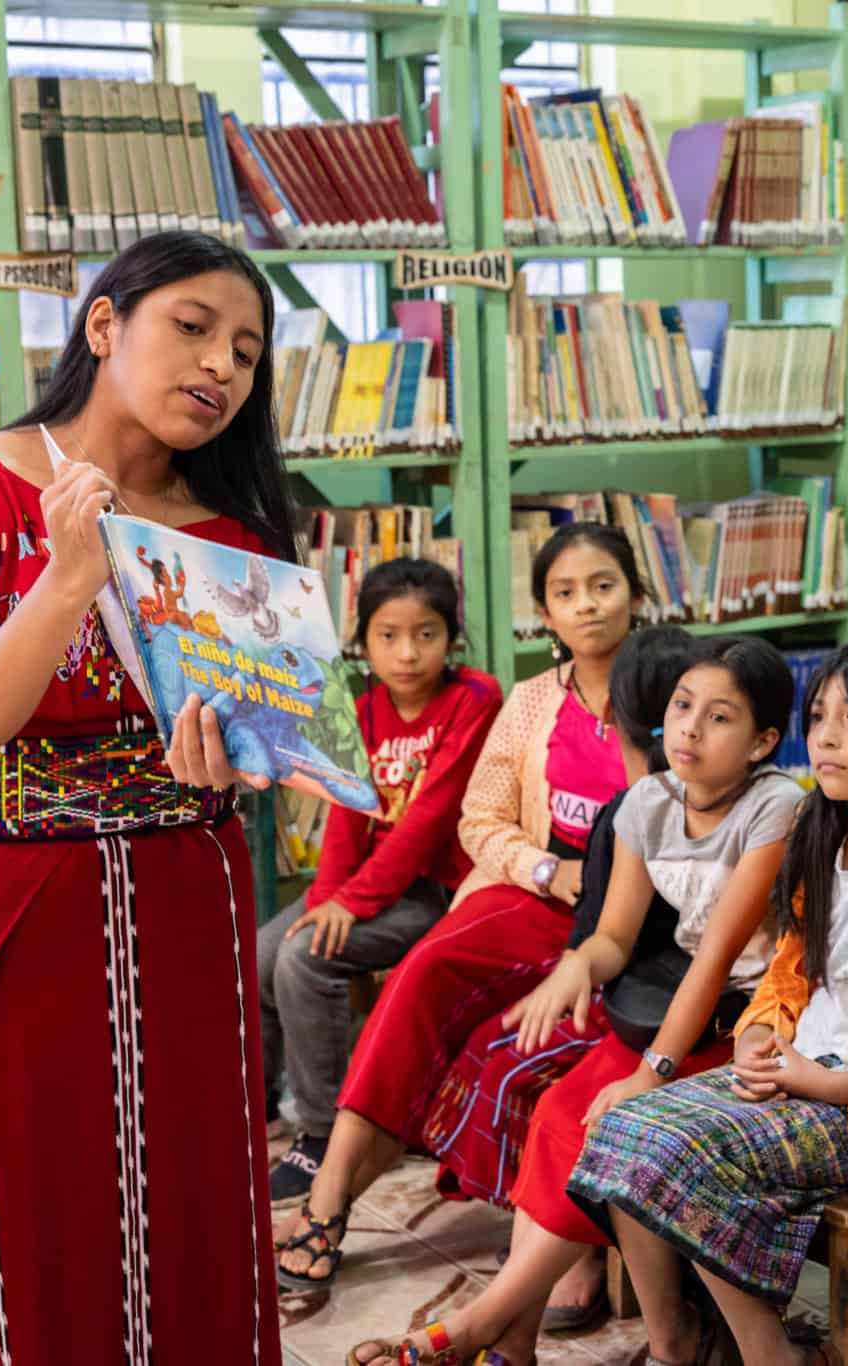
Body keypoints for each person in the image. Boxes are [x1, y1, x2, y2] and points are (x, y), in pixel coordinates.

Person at [0, 231, 295, 1360]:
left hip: (188, 883)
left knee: (199, 1175)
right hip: (18, 888)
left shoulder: (233, 529)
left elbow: (269, 733)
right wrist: (71, 576)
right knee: (33, 1183)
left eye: (249, 353)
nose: (222, 368)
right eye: (194, 328)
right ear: (103, 325)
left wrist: (248, 755)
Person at [352, 637, 805, 1366]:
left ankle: (479, 1326)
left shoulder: (776, 808)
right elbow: (615, 937)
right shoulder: (648, 804)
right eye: (683, 707)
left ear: (764, 742)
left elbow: (718, 958)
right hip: (676, 1022)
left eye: (719, 718)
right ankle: (517, 1338)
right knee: (561, 1112)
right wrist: (576, 967)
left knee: (612, 1122)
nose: (688, 728)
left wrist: (649, 1073)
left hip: (746, 1026)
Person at [566, 638, 848, 1366]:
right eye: (819, 715)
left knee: (679, 1155)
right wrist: (758, 1036)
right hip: (802, 1074)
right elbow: (789, 974)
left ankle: (770, 1356)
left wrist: (827, 1082)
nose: (824, 737)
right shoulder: (824, 828)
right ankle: (680, 1348)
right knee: (621, 1132)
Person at [274, 522, 645, 1294]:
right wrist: (549, 868)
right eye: (565, 593)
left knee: (490, 1028)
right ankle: (331, 1190)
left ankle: (552, 1235)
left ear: (636, 595)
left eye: (603, 586)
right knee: (425, 967)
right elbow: (482, 819)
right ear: (542, 610)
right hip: (542, 893)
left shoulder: (673, 684)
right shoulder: (532, 699)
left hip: (636, 916)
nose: (588, 607)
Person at [260, 558, 502, 1200]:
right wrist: (329, 898)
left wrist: (350, 905)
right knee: (262, 953)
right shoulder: (361, 711)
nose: (407, 653)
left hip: (445, 889)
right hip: (372, 881)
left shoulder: (473, 699)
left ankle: (323, 1136)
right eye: (388, 635)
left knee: (307, 959)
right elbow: (345, 814)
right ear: (363, 640)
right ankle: (259, 1106)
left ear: (451, 637)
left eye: (426, 634)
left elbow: (430, 819)